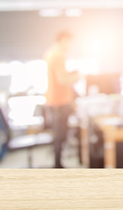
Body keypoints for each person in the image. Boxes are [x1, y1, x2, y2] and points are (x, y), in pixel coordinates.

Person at [44, 31, 79, 168]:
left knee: (60, 136)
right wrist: (76, 77)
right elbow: (62, 79)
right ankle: (58, 166)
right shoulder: (58, 55)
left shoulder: (50, 53)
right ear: (64, 40)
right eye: (70, 42)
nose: (70, 46)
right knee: (60, 137)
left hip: (55, 101)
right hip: (59, 102)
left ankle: (58, 164)